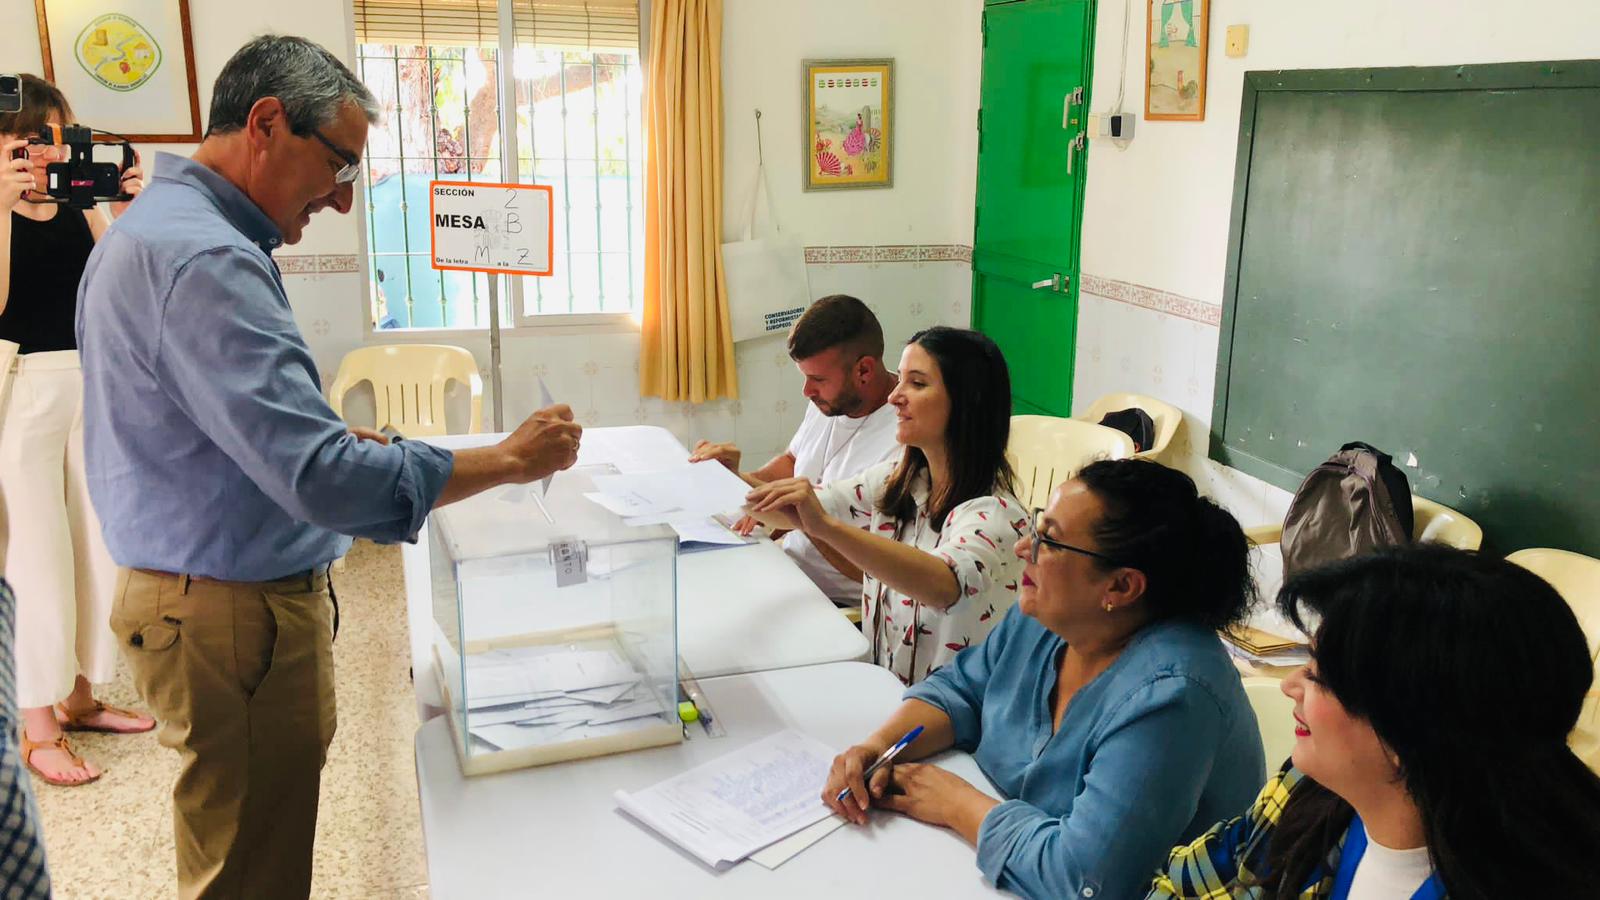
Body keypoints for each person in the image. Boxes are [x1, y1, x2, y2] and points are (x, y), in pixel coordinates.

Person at [76, 36, 582, 899]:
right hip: (229, 613)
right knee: (252, 868)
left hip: (192, 587)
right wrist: (503, 459)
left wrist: (359, 448)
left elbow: (227, 436)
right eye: (339, 163)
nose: (344, 199)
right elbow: (321, 479)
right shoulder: (206, 258)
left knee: (237, 843)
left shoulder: (157, 232)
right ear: (267, 122)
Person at [815, 458, 1266, 899]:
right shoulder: (1051, 615)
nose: (1023, 549)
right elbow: (963, 691)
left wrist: (957, 804)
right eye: (1036, 526)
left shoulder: (1174, 697)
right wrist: (878, 748)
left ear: (1121, 587)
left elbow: (1082, 879)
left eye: (1049, 541)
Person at [1147, 544, 1600, 899]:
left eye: (1320, 677)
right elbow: (1185, 881)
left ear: (1410, 730)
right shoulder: (1308, 795)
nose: (1291, 686)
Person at [1, 73, 155, 788]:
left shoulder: (73, 201)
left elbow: (119, 284)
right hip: (21, 395)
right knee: (35, 561)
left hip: (90, 385)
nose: (45, 151)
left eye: (57, 135)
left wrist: (121, 205)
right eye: (32, 138)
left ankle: (81, 695)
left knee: (96, 550)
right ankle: (35, 726)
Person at [746, 326, 1027, 684]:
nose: (895, 396)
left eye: (917, 384)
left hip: (955, 722)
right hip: (888, 692)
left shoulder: (996, 514)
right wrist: (714, 479)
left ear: (966, 400)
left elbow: (944, 584)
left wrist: (824, 527)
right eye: (901, 380)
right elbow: (796, 507)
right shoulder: (902, 481)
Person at [690, 294, 901, 604]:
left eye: (817, 379)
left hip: (838, 604)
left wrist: (801, 519)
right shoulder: (829, 403)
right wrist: (741, 482)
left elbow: (879, 573)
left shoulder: (904, 439)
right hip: (786, 569)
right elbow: (793, 462)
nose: (806, 391)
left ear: (864, 370)